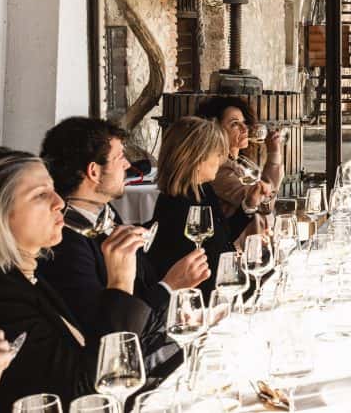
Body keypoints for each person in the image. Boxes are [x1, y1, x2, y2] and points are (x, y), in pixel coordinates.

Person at [36, 117, 208, 369]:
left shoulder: (105, 215)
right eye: (120, 158)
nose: (128, 164)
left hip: (151, 338)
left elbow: (142, 280)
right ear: (94, 171)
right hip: (127, 365)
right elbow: (108, 338)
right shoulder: (65, 243)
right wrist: (170, 287)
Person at [0, 148, 151, 410]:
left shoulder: (29, 276)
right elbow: (86, 394)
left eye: (53, 189)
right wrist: (120, 285)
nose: (59, 202)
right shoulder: (6, 298)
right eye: (40, 195)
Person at [146, 117, 261, 297]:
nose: (221, 160)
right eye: (217, 154)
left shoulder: (202, 189)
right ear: (197, 158)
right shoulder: (176, 206)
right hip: (204, 302)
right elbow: (205, 271)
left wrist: (248, 206)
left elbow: (222, 237)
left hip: (224, 289)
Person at [194, 96, 281, 224]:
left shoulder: (241, 161)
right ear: (215, 129)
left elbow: (266, 194)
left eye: (244, 122)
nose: (245, 129)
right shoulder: (218, 169)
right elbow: (262, 204)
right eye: (235, 124)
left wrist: (274, 152)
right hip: (238, 240)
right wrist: (274, 153)